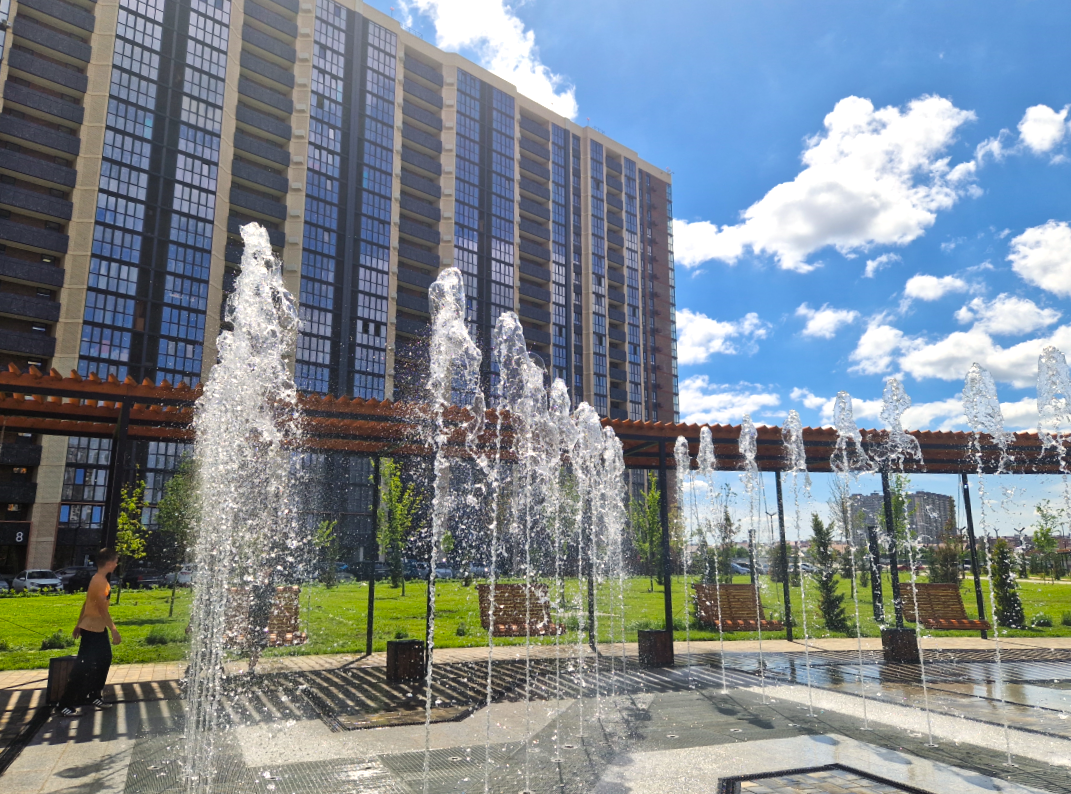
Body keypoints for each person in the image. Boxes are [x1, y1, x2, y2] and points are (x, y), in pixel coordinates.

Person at [57, 548, 121, 717]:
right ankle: (64, 704)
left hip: (97, 629)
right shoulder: (99, 582)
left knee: (104, 659)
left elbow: (86, 604)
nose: (116, 564)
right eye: (115, 561)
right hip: (92, 631)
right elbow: (101, 609)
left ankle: (94, 695)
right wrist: (114, 630)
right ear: (109, 563)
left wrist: (78, 624)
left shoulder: (100, 580)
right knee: (82, 666)